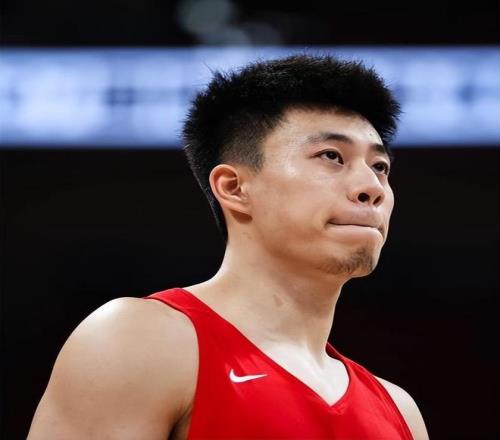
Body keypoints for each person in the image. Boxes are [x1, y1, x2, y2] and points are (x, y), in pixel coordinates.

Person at [28, 54, 429, 439]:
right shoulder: (139, 340)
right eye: (331, 156)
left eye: (379, 166)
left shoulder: (400, 411)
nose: (372, 187)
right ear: (235, 188)